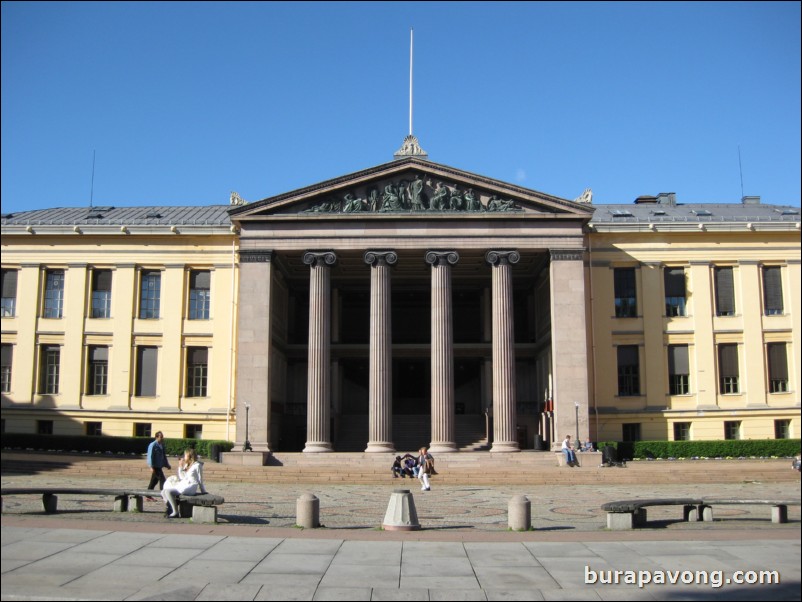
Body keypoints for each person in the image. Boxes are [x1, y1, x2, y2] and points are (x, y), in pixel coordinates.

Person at [161, 448, 205, 518]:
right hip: (184, 484)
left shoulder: (197, 465)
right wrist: (180, 466)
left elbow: (200, 479)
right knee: (163, 492)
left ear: (190, 456)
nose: (184, 457)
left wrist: (203, 491)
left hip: (191, 486)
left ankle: (175, 511)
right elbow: (182, 477)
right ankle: (170, 507)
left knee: (168, 492)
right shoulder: (187, 465)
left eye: (185, 455)